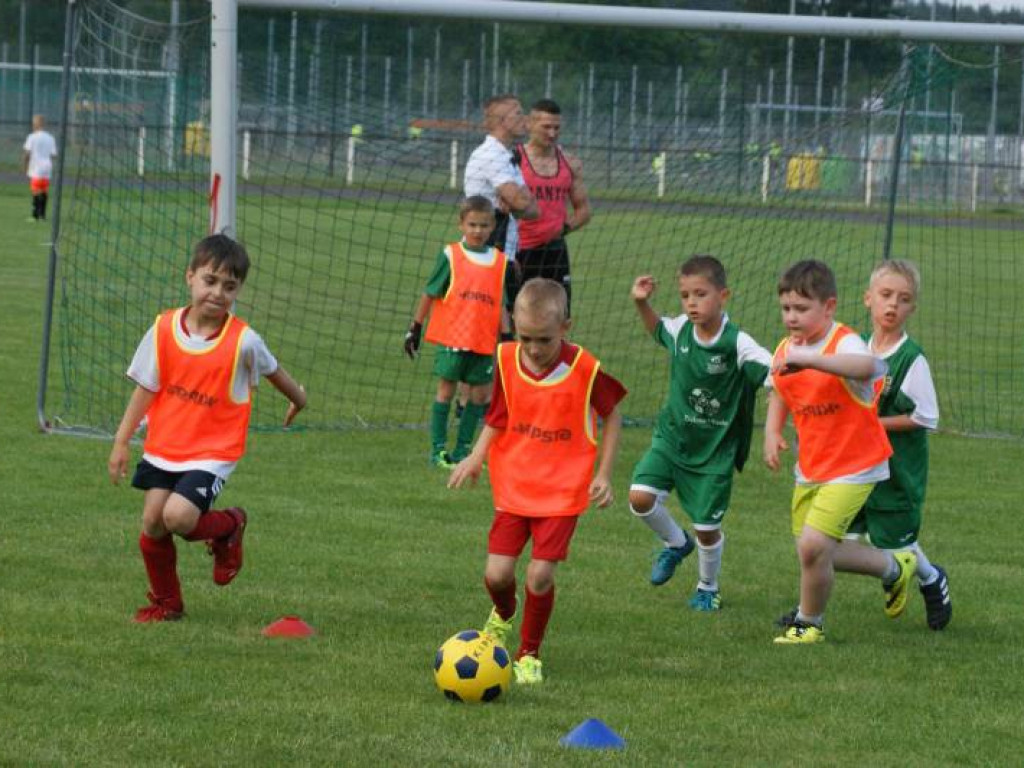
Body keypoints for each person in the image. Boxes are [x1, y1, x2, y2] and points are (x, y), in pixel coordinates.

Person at [108, 234, 307, 622]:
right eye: (210, 281)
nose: (217, 293)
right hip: (166, 442)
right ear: (190, 278)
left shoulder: (244, 340)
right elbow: (145, 389)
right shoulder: (164, 328)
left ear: (239, 290)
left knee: (178, 517)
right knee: (152, 521)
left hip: (213, 450)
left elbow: (275, 372)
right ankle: (168, 604)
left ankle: (230, 524)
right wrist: (121, 442)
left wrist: (299, 401)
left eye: (229, 286)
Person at [448, 278, 626, 684]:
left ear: (565, 326)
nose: (533, 348)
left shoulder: (583, 367)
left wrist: (603, 473)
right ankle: (505, 613)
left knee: (540, 576)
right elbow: (498, 414)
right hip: (514, 484)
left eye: (543, 339)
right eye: (525, 337)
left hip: (563, 491)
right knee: (496, 575)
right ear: (514, 324)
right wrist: (476, 456)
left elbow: (613, 413)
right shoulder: (508, 360)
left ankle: (529, 653)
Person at [764, 259, 917, 644]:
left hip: (857, 464)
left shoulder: (842, 341)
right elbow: (780, 390)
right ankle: (894, 569)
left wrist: (812, 359)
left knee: (814, 547)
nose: (792, 317)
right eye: (786, 309)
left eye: (802, 309)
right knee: (812, 552)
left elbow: (867, 366)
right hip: (813, 465)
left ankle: (808, 622)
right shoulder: (786, 348)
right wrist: (770, 432)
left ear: (828, 307)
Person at [628, 256, 771, 612]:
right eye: (685, 295)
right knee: (640, 498)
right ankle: (677, 544)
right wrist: (641, 302)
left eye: (700, 294)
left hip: (713, 452)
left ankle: (708, 587)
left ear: (723, 295)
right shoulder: (681, 330)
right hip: (671, 439)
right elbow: (657, 329)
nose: (691, 303)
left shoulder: (739, 345)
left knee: (707, 529)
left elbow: (774, 373)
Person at [855, 260, 950, 630]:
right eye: (886, 295)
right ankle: (808, 612)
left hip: (897, 470)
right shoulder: (856, 348)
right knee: (833, 535)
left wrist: (874, 424)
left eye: (904, 299)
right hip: (858, 465)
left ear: (913, 307)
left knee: (897, 544)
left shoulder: (912, 360)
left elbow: (926, 417)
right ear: (868, 299)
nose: (893, 305)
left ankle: (930, 578)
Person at [403, 196, 512, 468]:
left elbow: (501, 303)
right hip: (453, 339)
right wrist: (415, 327)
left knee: (479, 396)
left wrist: (508, 338)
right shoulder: (451, 255)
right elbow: (430, 292)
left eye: (484, 225)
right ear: (461, 224)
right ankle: (438, 451)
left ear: (493, 226)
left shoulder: (500, 261)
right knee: (446, 391)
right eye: (472, 224)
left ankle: (464, 450)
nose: (478, 230)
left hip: (483, 341)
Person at [513, 99, 592, 314]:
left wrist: (563, 229)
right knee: (517, 315)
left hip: (555, 253)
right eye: (546, 127)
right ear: (529, 124)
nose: (552, 133)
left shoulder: (570, 162)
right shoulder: (513, 159)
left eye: (556, 127)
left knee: (559, 314)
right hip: (519, 252)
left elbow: (584, 210)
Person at [23, 114, 57, 223]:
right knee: (44, 190)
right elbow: (54, 155)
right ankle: (42, 215)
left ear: (36, 124)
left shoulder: (32, 137)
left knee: (35, 191)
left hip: (36, 166)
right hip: (47, 166)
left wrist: (25, 164)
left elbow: (27, 153)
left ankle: (35, 215)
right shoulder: (50, 137)